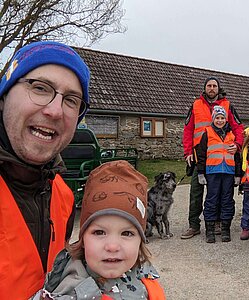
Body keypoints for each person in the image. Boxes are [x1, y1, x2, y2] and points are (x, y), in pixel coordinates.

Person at [0, 41, 90, 299]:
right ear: (4, 97)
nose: (54, 111)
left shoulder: (63, 196)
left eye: (71, 100)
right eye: (40, 88)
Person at [34, 160, 165, 299]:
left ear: (140, 241)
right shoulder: (70, 294)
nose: (112, 246)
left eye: (127, 233)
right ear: (83, 239)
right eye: (99, 232)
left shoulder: (143, 275)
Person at [181, 77, 244, 239]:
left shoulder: (228, 105)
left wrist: (237, 144)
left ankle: (217, 223)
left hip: (221, 159)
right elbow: (188, 130)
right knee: (196, 191)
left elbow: (238, 128)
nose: (211, 88)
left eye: (214, 86)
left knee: (218, 192)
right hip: (198, 156)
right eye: (209, 86)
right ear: (205, 88)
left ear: (218, 88)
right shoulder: (195, 105)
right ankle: (193, 225)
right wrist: (188, 152)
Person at [196, 106, 241, 243]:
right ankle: (210, 230)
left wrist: (237, 175)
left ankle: (225, 229)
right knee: (211, 200)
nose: (220, 121)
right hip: (212, 172)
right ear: (213, 119)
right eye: (217, 118)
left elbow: (237, 157)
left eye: (222, 118)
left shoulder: (231, 135)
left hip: (228, 172)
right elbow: (201, 154)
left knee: (227, 200)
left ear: (226, 119)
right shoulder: (207, 133)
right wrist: (200, 173)